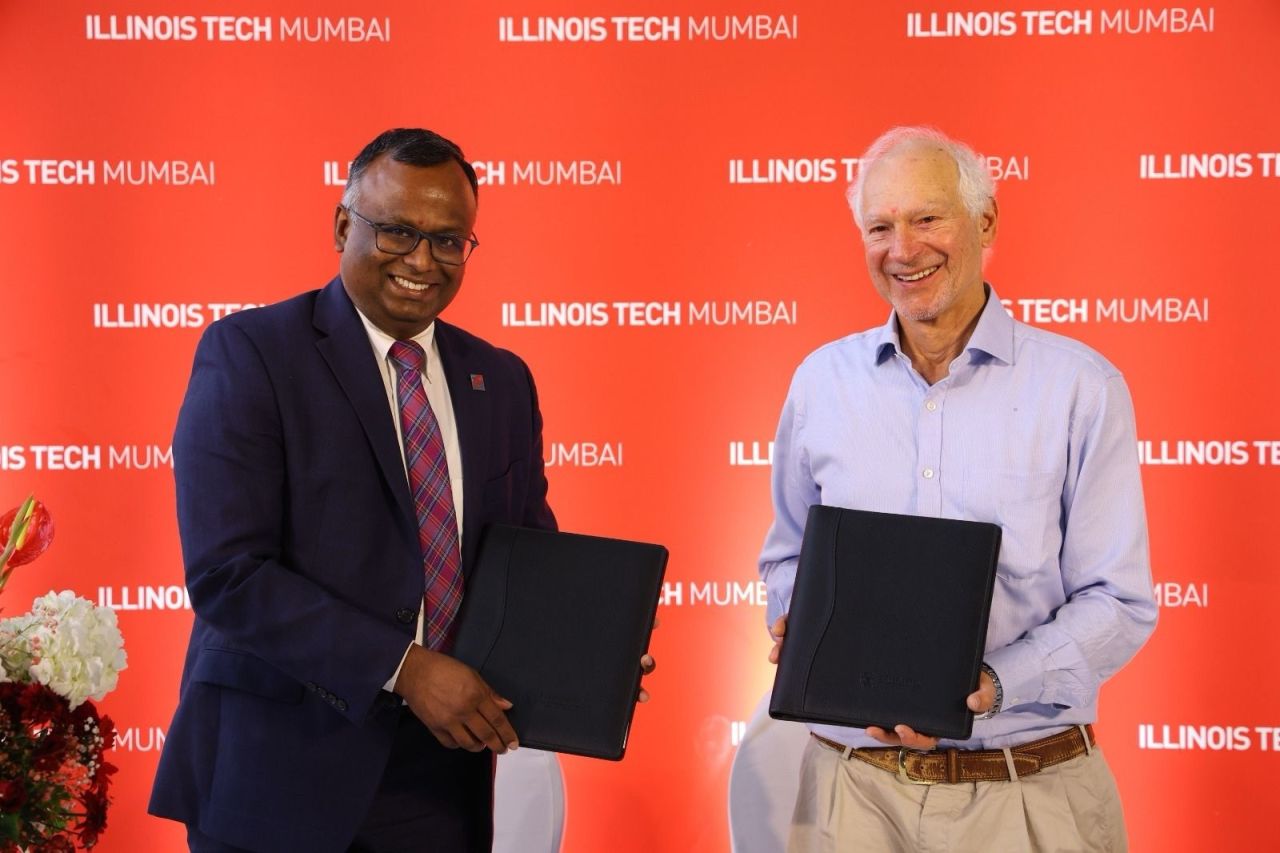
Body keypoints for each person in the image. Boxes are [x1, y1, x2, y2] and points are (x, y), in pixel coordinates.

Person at [149, 128, 651, 853]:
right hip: (277, 773)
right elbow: (229, 575)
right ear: (342, 225)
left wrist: (588, 654)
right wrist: (406, 670)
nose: (422, 261)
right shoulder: (252, 352)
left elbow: (526, 560)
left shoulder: (501, 378)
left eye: (448, 240)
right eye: (397, 231)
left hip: (441, 778)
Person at [758, 126, 1157, 852]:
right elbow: (787, 557)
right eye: (880, 227)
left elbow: (1118, 601)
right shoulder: (820, 383)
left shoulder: (1080, 387)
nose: (903, 249)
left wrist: (990, 685)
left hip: (1027, 796)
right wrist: (803, 623)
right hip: (850, 801)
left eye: (927, 218)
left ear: (986, 222)